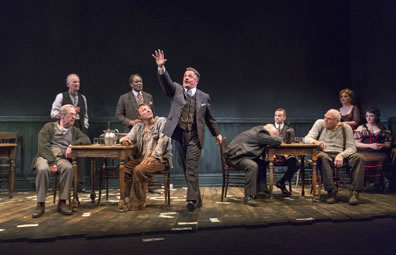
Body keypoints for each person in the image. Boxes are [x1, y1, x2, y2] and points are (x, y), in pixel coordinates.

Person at [152, 49, 223, 212]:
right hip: (178, 135)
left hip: (195, 136)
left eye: (190, 76)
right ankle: (197, 197)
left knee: (191, 167)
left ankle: (191, 200)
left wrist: (217, 134)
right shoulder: (175, 89)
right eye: (185, 75)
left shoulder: (204, 97)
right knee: (185, 168)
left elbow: (209, 118)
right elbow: (166, 83)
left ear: (196, 81)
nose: (186, 77)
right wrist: (161, 69)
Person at [31, 105, 91, 218]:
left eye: (75, 115)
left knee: (68, 168)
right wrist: (51, 163)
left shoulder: (74, 130)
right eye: (71, 115)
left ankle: (62, 202)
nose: (74, 117)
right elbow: (42, 146)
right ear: (62, 116)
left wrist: (73, 145)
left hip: (61, 158)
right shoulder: (49, 127)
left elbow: (86, 139)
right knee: (43, 169)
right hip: (45, 157)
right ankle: (40, 204)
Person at [304, 109, 365, 205]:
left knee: (359, 158)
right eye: (325, 117)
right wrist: (317, 142)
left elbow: (352, 148)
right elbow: (306, 138)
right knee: (322, 157)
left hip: (342, 154)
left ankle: (355, 193)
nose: (325, 120)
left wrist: (341, 155)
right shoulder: (319, 123)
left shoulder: (346, 128)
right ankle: (331, 192)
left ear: (337, 121)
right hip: (325, 153)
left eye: (329, 119)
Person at [120, 104, 170, 211]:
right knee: (123, 169)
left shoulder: (162, 121)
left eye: (148, 109)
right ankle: (131, 198)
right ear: (139, 117)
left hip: (160, 159)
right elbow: (128, 137)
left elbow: (163, 141)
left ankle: (136, 204)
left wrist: (153, 156)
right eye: (143, 110)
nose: (147, 110)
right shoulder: (138, 126)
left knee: (139, 169)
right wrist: (125, 140)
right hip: (144, 158)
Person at [224, 124, 282, 206]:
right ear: (269, 133)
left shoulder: (260, 130)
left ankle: (262, 191)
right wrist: (280, 138)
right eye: (274, 135)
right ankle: (249, 196)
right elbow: (277, 141)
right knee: (252, 166)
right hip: (235, 157)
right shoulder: (261, 134)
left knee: (262, 163)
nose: (274, 137)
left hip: (240, 155)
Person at [50, 73, 89, 192]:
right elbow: (52, 113)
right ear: (68, 84)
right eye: (74, 82)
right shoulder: (61, 96)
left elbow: (85, 115)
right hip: (65, 131)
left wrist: (85, 125)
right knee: (65, 156)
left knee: (80, 158)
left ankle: (79, 185)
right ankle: (64, 186)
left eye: (78, 82)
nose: (77, 84)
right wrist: (68, 112)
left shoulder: (83, 97)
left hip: (79, 131)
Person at [354, 107, 392, 190]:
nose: (368, 118)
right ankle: (365, 183)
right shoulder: (362, 128)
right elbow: (356, 144)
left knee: (382, 159)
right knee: (364, 159)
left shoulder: (382, 129)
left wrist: (382, 145)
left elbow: (388, 144)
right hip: (364, 151)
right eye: (367, 116)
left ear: (376, 117)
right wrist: (370, 145)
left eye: (371, 116)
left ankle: (377, 184)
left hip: (378, 152)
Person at [273, 108, 301, 195]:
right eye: (276, 115)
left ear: (284, 117)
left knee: (296, 163)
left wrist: (286, 154)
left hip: (285, 156)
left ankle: (281, 182)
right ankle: (263, 190)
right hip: (272, 156)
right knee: (260, 162)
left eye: (279, 116)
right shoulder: (269, 128)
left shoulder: (289, 130)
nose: (277, 117)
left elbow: (291, 144)